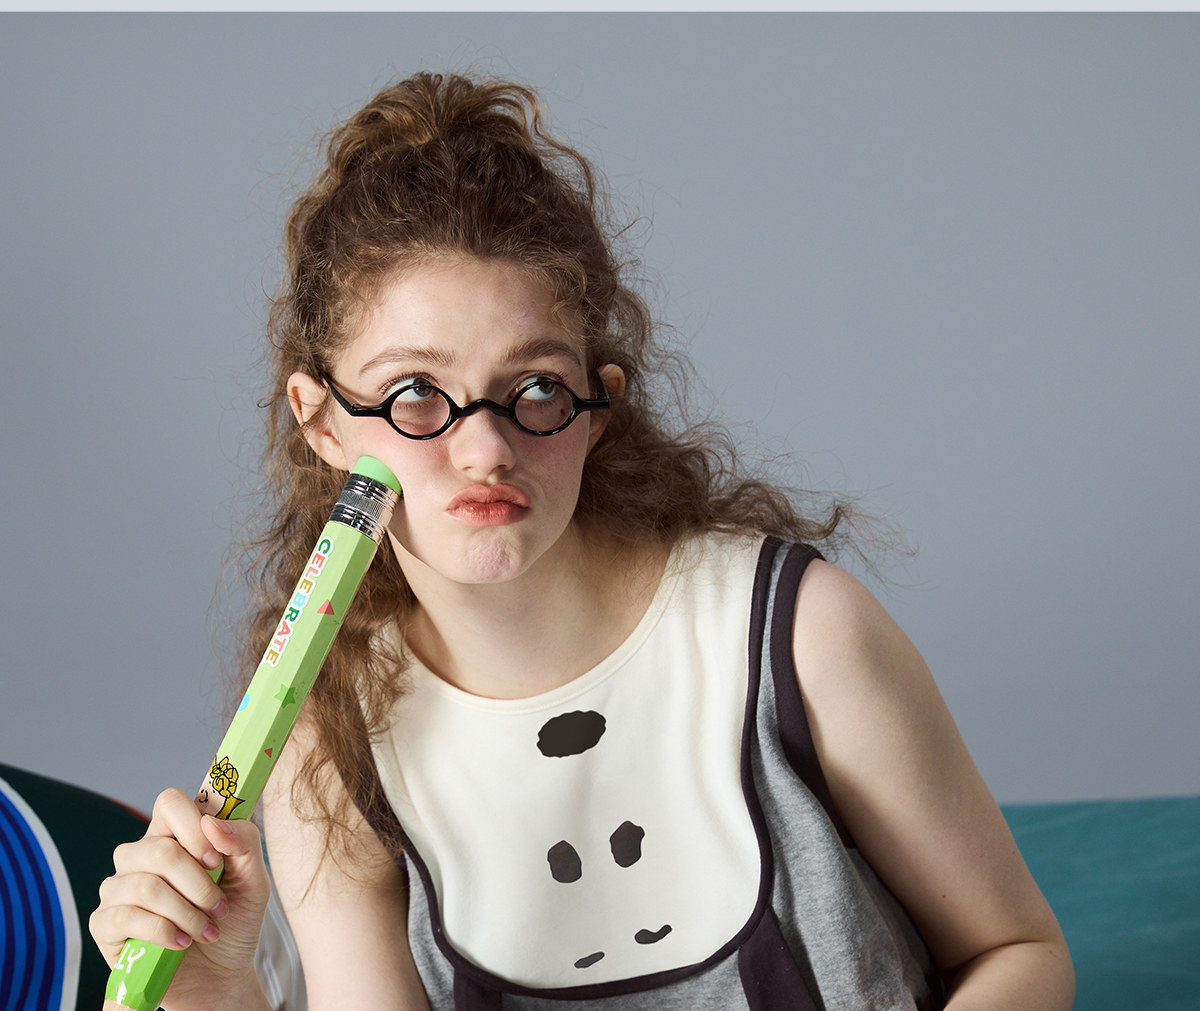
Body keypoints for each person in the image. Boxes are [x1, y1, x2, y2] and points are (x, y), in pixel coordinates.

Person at [89, 71, 1074, 1010]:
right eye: (415, 393)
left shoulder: (799, 634)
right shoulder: (328, 744)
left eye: (534, 389)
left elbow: (1018, 952)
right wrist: (220, 994)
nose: (485, 449)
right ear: (322, 422)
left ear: (598, 408)